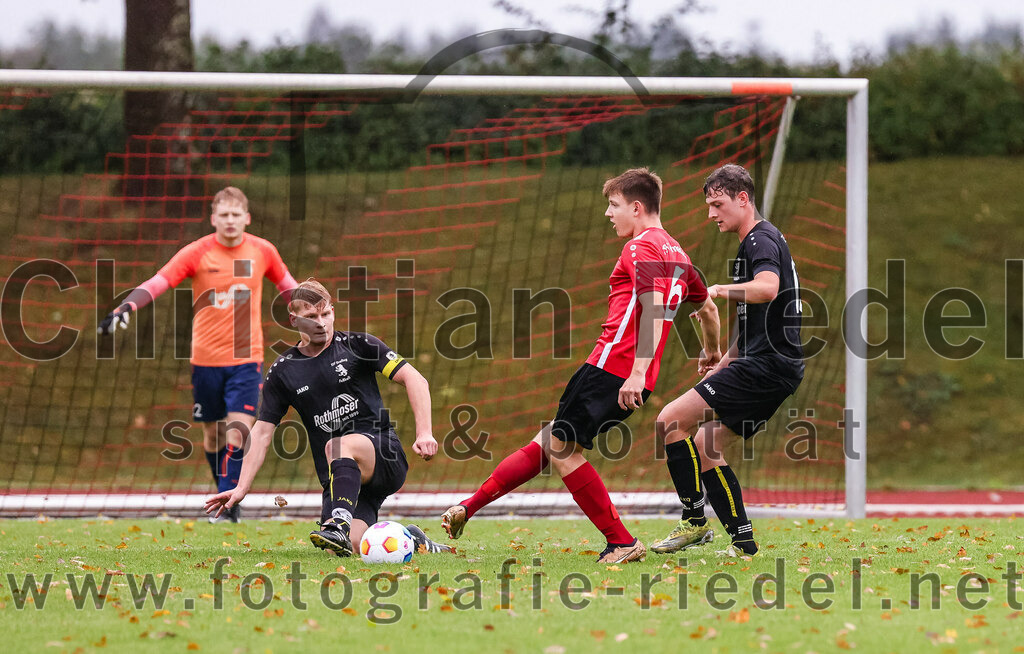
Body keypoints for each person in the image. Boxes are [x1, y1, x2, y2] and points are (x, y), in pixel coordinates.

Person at [440, 167, 721, 564]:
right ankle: (469, 507)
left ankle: (621, 541)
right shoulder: (679, 253)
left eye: (614, 205)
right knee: (551, 441)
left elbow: (653, 307)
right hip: (628, 371)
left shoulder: (640, 248)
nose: (609, 214)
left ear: (637, 207)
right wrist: (710, 352)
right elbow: (707, 308)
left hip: (613, 367)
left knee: (561, 449)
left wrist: (635, 372)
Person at [204, 279, 449, 556]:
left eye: (326, 313)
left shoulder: (359, 345)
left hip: (383, 455)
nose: (321, 322)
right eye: (311, 317)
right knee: (349, 549)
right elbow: (261, 432)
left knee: (338, 446)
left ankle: (338, 523)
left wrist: (424, 432)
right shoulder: (284, 371)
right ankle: (411, 539)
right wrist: (241, 487)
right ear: (294, 320)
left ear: (333, 311)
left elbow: (414, 378)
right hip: (341, 478)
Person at [98, 187, 297, 522]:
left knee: (238, 430)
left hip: (247, 358)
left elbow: (289, 287)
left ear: (246, 218)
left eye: (237, 215)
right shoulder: (197, 252)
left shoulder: (264, 250)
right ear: (213, 219)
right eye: (224, 215)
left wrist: (315, 312)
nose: (231, 221)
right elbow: (160, 281)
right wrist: (126, 306)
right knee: (213, 434)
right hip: (205, 360)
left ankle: (229, 504)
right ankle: (224, 488)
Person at [650, 163, 804, 557]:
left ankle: (694, 522)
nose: (711, 213)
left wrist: (719, 289)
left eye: (718, 204)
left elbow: (768, 290)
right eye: (708, 205)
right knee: (705, 444)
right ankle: (744, 543)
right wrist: (723, 362)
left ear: (742, 198)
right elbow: (754, 326)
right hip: (770, 364)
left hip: (768, 366)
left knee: (670, 420)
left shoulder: (760, 241)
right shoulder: (755, 243)